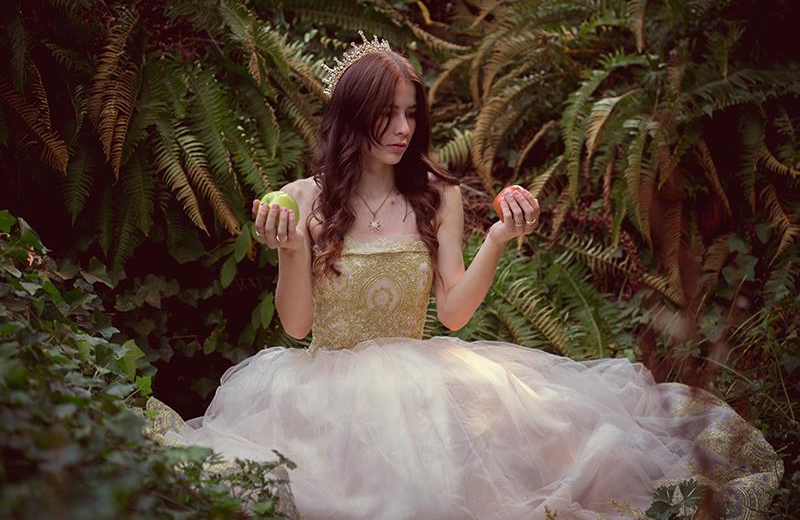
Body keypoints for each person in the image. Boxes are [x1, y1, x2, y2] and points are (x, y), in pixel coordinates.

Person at [153, 32, 781, 519]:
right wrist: (292, 251)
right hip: (321, 392)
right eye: (388, 114)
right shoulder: (303, 199)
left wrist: (499, 239)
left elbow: (453, 312)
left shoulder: (437, 195)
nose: (403, 129)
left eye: (410, 114)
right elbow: (296, 326)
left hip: (422, 380)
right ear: (353, 116)